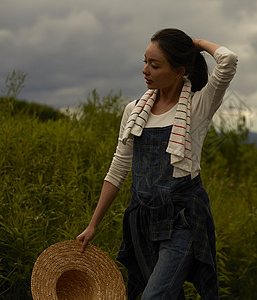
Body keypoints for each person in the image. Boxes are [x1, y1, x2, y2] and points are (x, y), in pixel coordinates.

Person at [77, 28, 238, 299]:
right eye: (145, 61)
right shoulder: (134, 111)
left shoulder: (198, 106)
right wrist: (93, 225)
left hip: (182, 220)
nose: (145, 70)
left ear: (178, 71)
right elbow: (118, 169)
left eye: (155, 65)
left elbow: (228, 60)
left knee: (154, 296)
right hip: (143, 219)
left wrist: (195, 43)